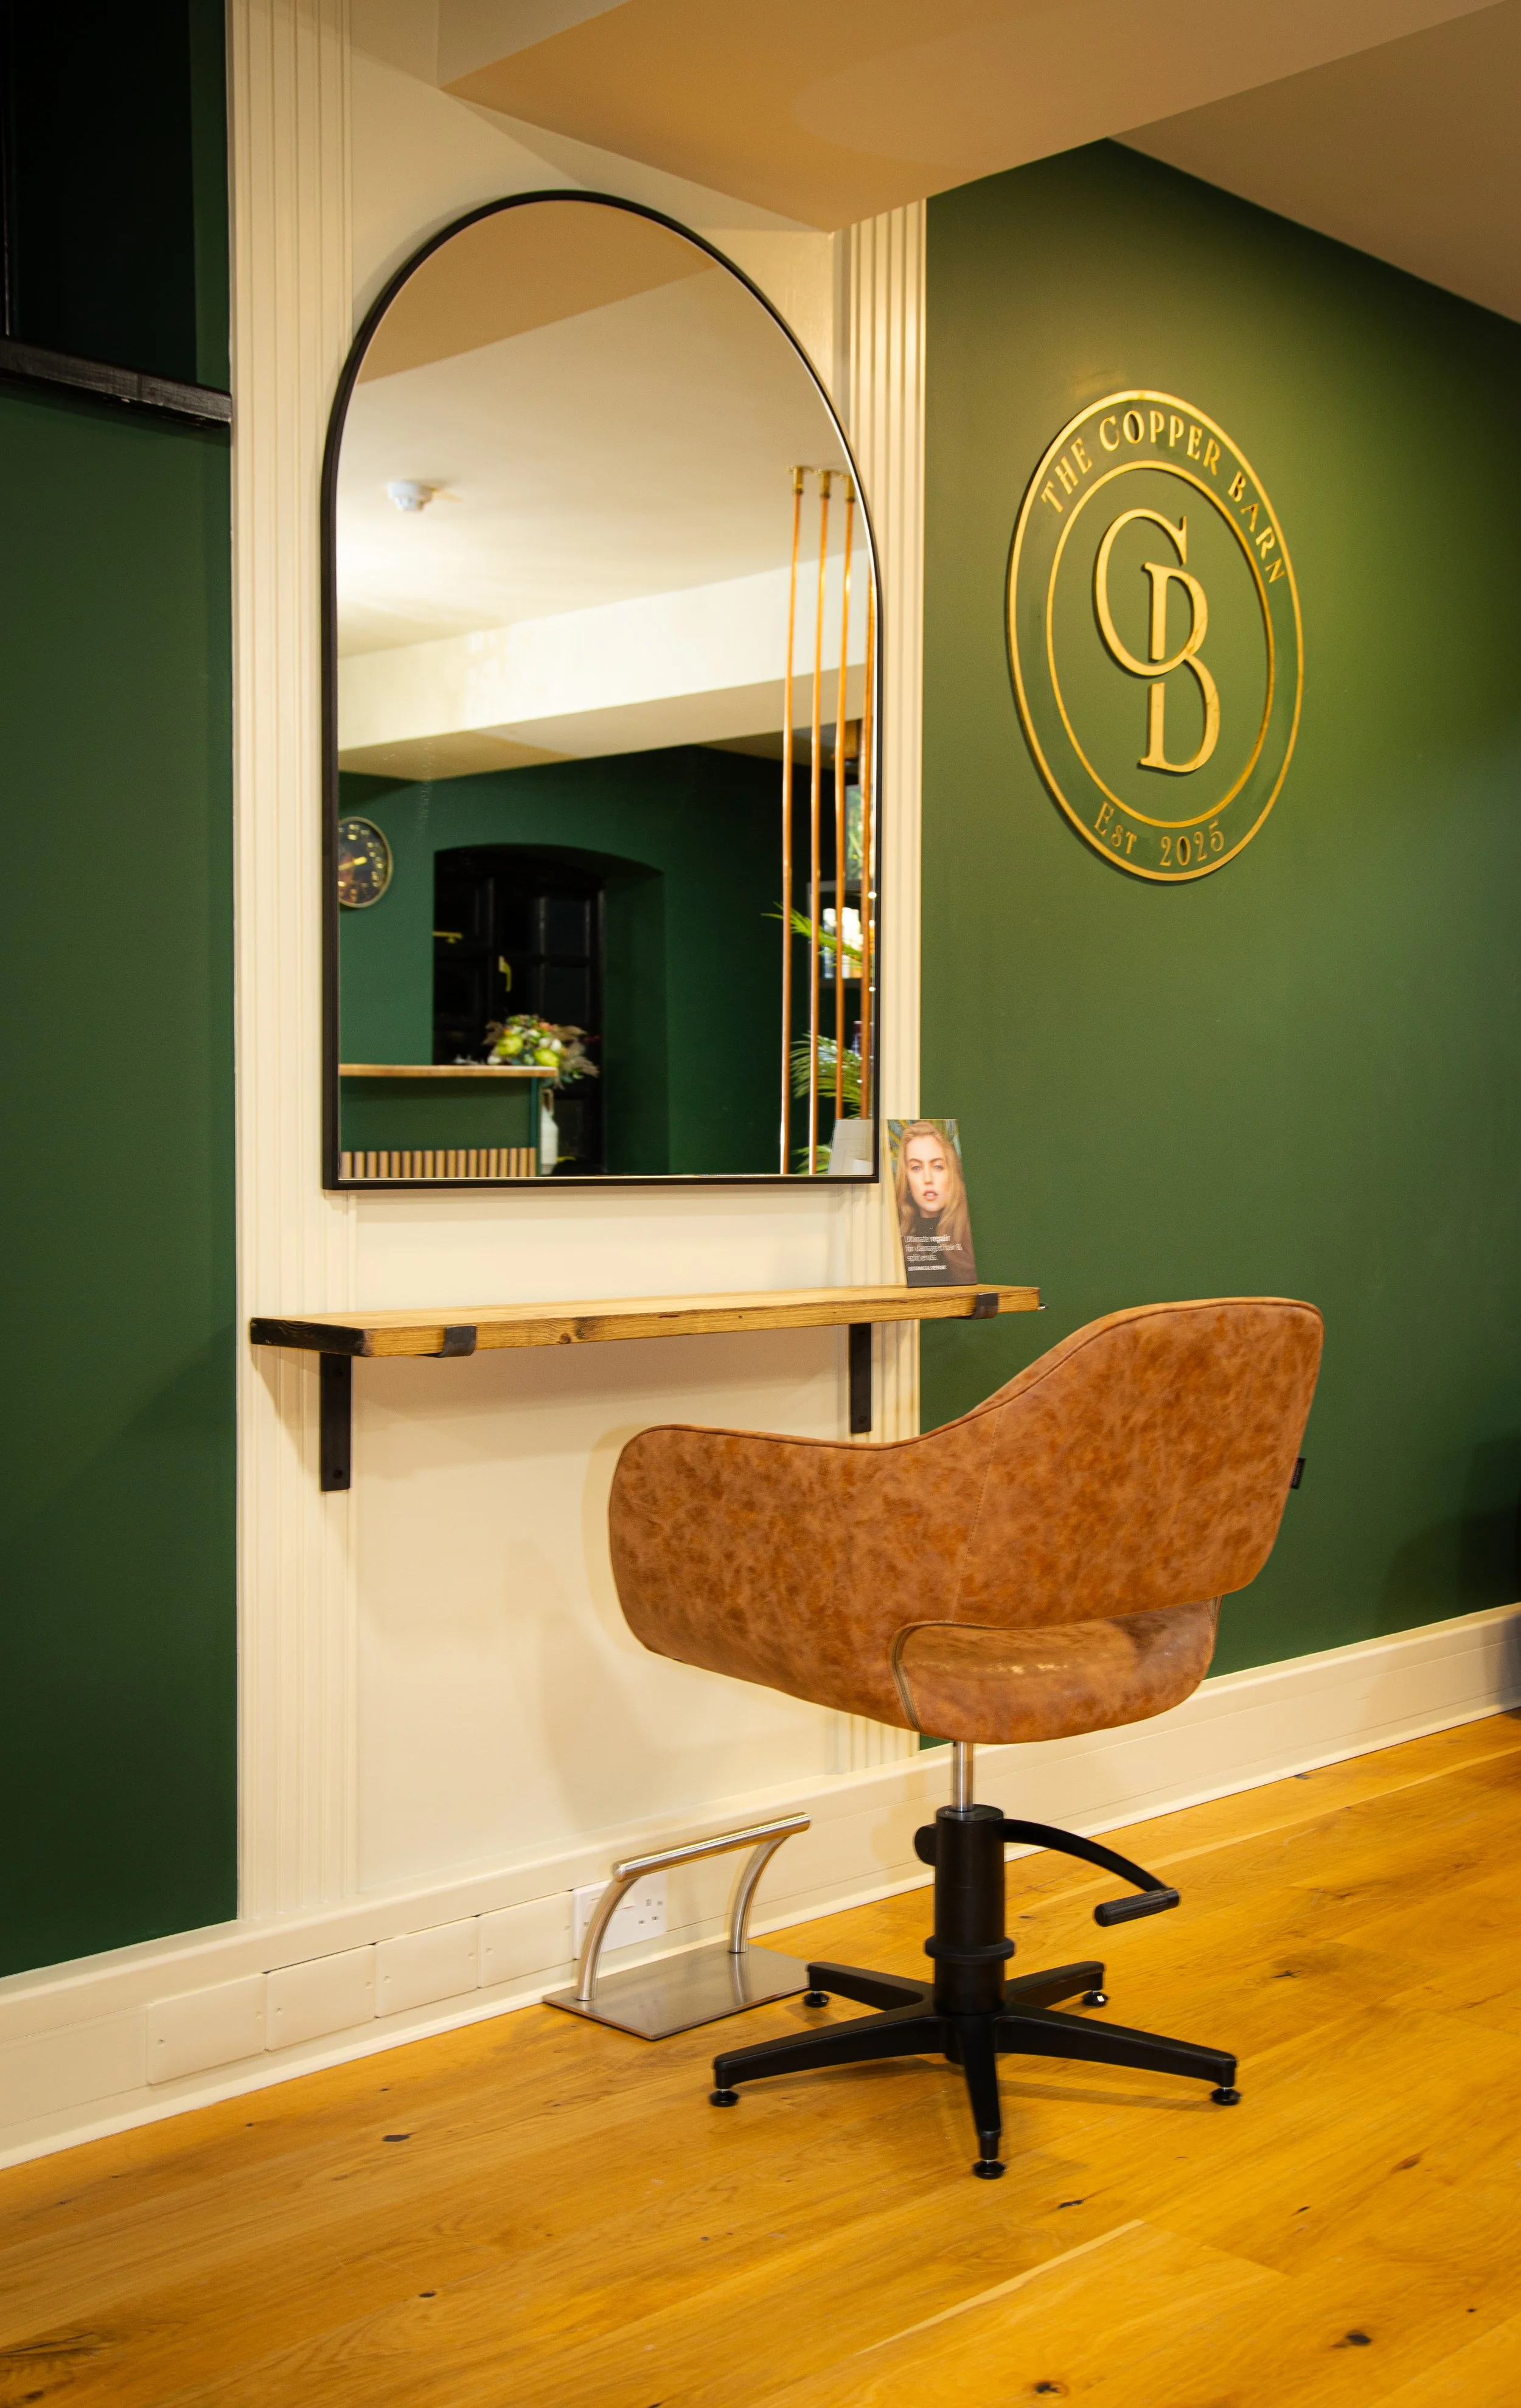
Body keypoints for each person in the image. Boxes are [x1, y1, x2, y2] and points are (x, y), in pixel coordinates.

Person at [894, 1119, 977, 1286]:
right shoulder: (898, 1242)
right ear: (906, 1177)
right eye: (916, 1168)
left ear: (952, 1172)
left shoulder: (967, 1238)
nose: (928, 1179)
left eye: (938, 1167)